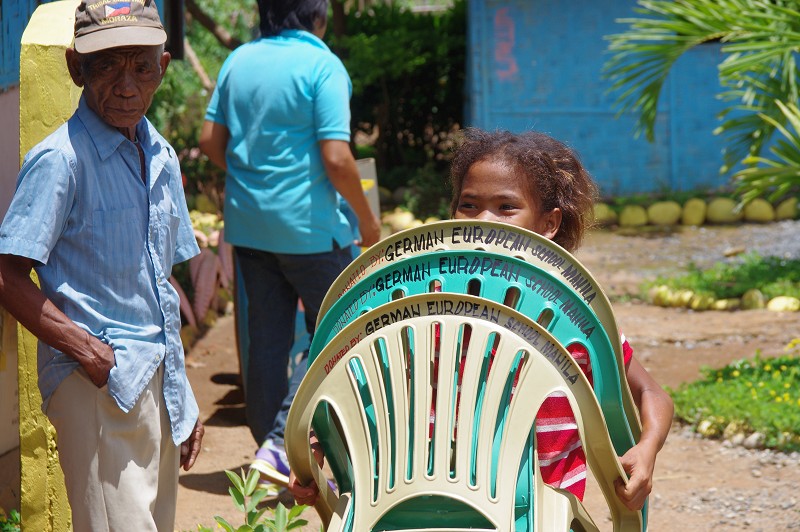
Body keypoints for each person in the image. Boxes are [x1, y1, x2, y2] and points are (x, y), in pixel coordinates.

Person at [290, 128, 674, 515]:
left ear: (549, 223)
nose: (484, 221)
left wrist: (646, 449)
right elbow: (362, 389)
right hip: (418, 504)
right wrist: (316, 448)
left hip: (535, 512)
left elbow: (653, 395)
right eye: (469, 205)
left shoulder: (570, 318)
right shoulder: (423, 304)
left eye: (506, 207)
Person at [0, 1, 203, 530]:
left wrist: (183, 397)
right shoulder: (60, 160)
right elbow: (7, 276)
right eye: (107, 65)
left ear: (162, 66)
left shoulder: (160, 155)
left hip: (155, 382)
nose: (127, 84)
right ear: (76, 68)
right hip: (97, 386)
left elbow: (159, 284)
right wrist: (85, 349)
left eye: (140, 66)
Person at [199, 0, 381, 496]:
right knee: (342, 327)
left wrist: (253, 181)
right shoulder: (323, 64)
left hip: (250, 226)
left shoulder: (239, 60)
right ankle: (280, 442)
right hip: (309, 228)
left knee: (267, 337)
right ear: (316, 16)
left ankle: (267, 448)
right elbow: (338, 157)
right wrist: (368, 221)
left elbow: (210, 140)